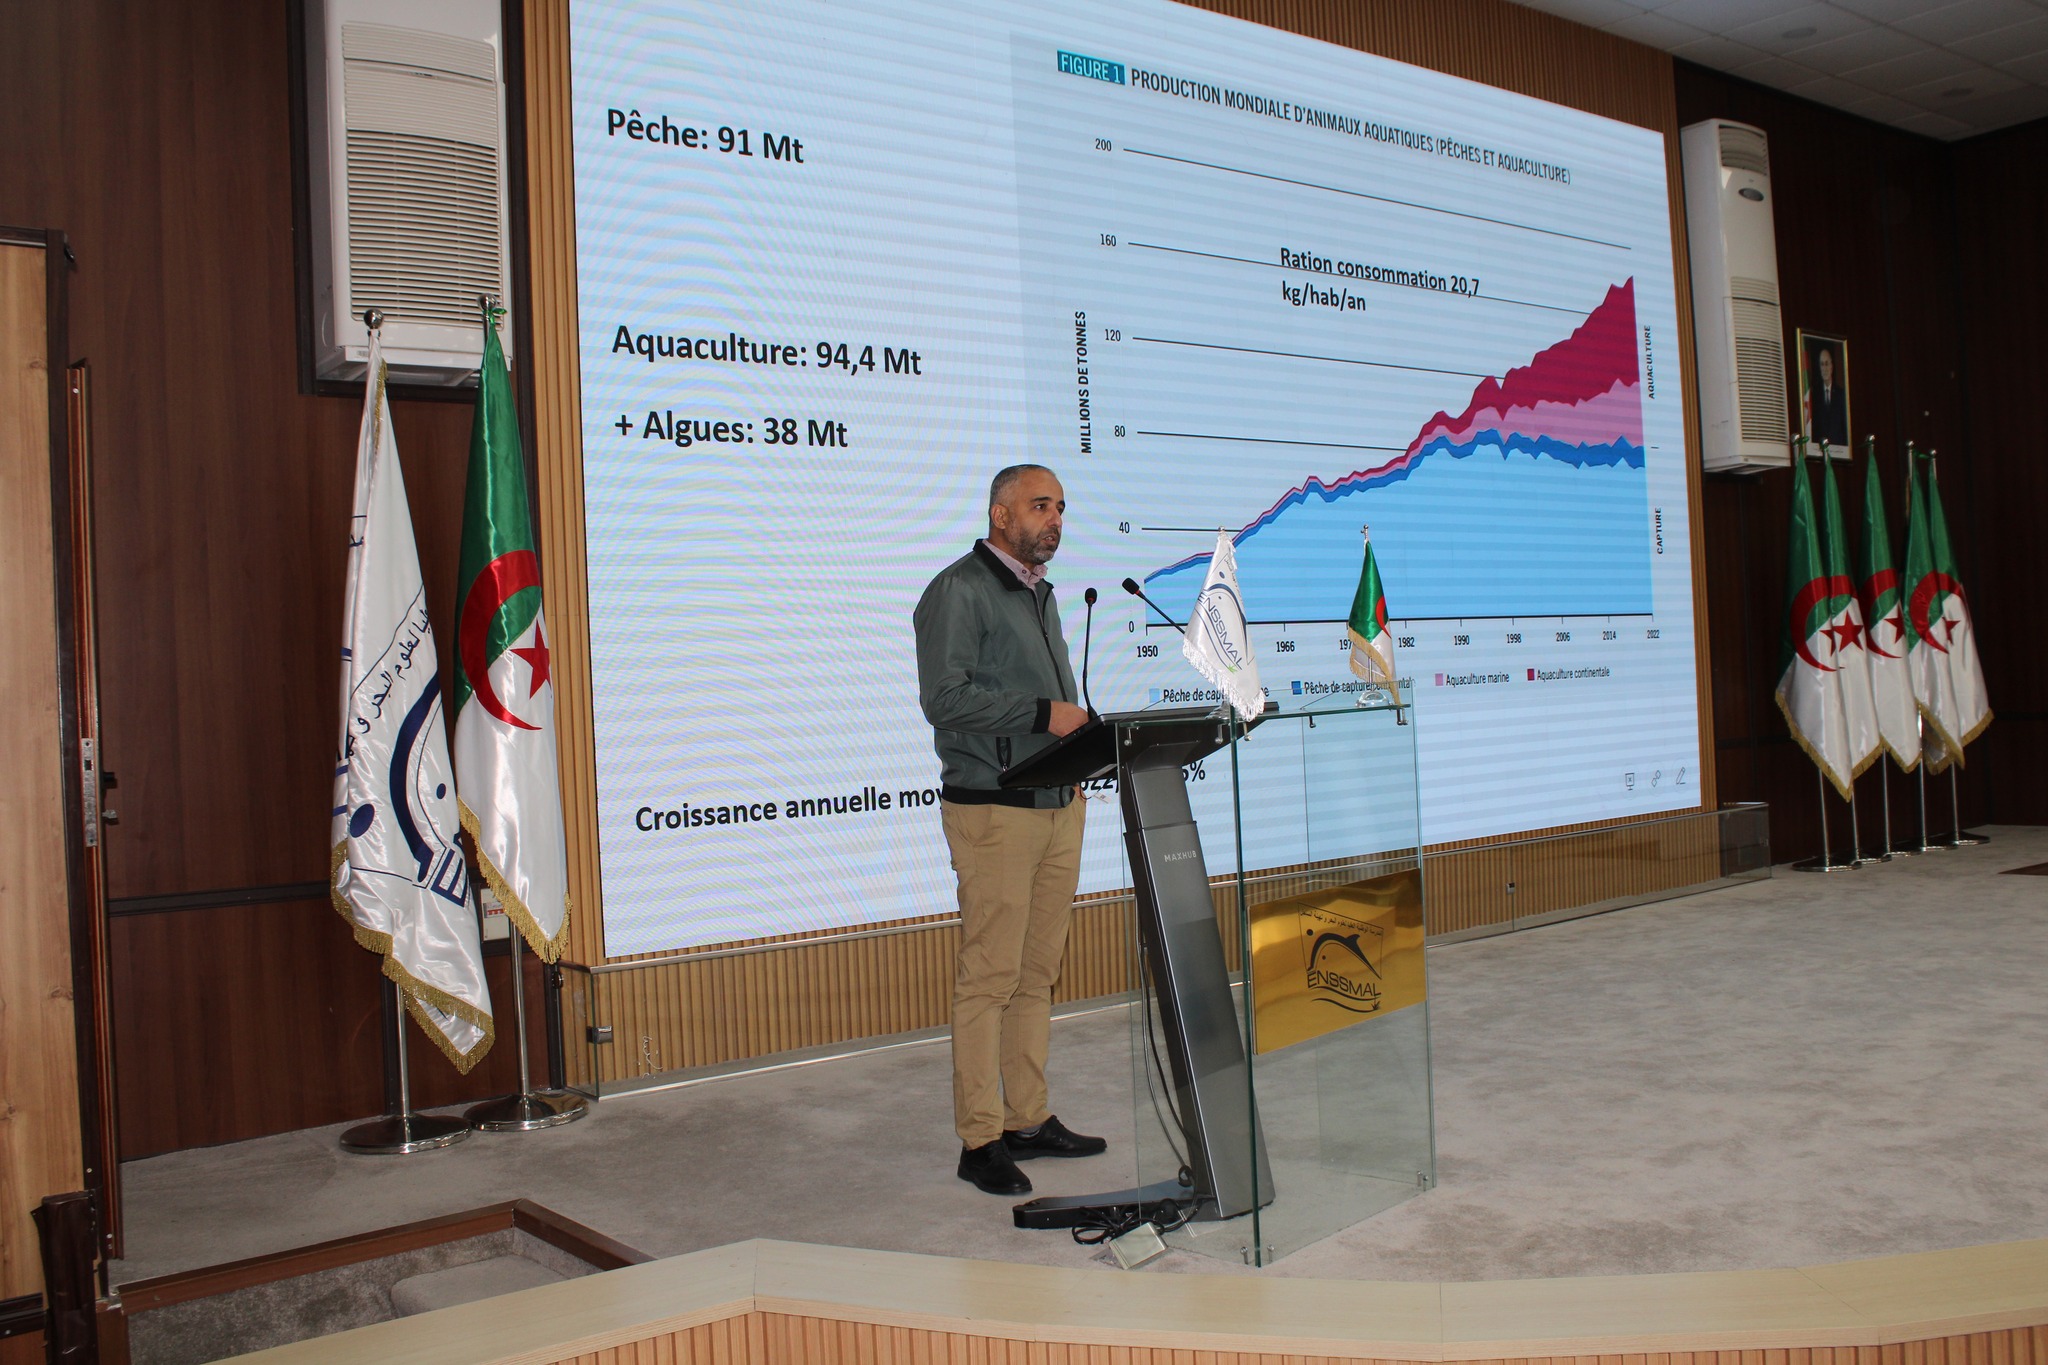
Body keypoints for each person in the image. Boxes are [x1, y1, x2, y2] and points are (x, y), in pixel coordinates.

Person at [913, 464, 1108, 1196]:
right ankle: (980, 1139)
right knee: (990, 976)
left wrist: (1073, 753)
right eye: (1039, 505)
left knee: (1037, 973)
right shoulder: (959, 590)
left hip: (1057, 805)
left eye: (1060, 507)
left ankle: (1027, 1118)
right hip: (993, 809)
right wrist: (1043, 716)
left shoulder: (1040, 593)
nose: (1054, 518)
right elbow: (945, 699)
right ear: (1001, 514)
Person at [1809, 344, 1848, 449]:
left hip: (1838, 450)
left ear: (1831, 366)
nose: (1825, 368)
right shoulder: (1815, 395)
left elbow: (1844, 427)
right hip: (1820, 450)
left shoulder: (1841, 394)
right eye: (1822, 364)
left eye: (1827, 364)